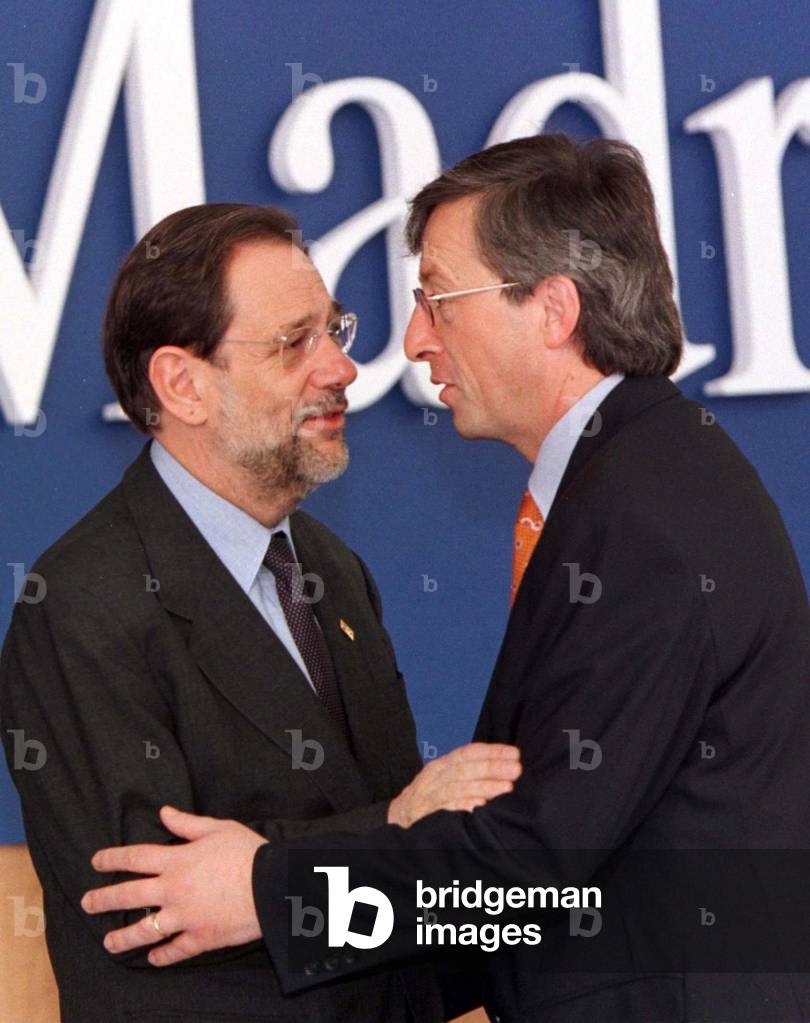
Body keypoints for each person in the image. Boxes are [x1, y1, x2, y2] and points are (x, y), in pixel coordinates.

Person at [80, 138, 810, 1022]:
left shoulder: (643, 513)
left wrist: (271, 892)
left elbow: (527, 869)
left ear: (551, 309)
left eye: (437, 298)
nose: (414, 340)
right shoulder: (640, 478)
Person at [0, 202, 522, 1023]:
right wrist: (393, 824)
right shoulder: (79, 606)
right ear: (182, 384)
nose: (342, 370)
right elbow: (148, 916)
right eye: (293, 344)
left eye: (335, 331)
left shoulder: (330, 571)